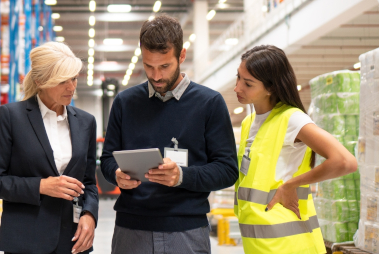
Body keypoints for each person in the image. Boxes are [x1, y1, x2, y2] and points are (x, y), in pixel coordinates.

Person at [100, 14, 239, 254]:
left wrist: (182, 176)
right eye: (148, 66)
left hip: (186, 232)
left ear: (181, 56)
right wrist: (116, 174)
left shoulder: (209, 103)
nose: (156, 76)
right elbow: (107, 160)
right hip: (131, 230)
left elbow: (227, 170)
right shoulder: (124, 102)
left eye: (165, 66)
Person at [233, 45, 358, 254]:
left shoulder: (291, 119)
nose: (237, 88)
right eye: (238, 78)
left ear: (271, 87)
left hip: (289, 245)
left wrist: (291, 185)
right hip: (259, 245)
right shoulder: (249, 122)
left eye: (248, 83)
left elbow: (345, 161)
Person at [0, 42, 98, 254]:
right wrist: (41, 186)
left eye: (74, 78)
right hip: (26, 242)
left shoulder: (86, 122)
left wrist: (90, 215)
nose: (71, 87)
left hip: (73, 242)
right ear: (40, 81)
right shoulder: (10, 117)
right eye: (63, 81)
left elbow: (88, 182)